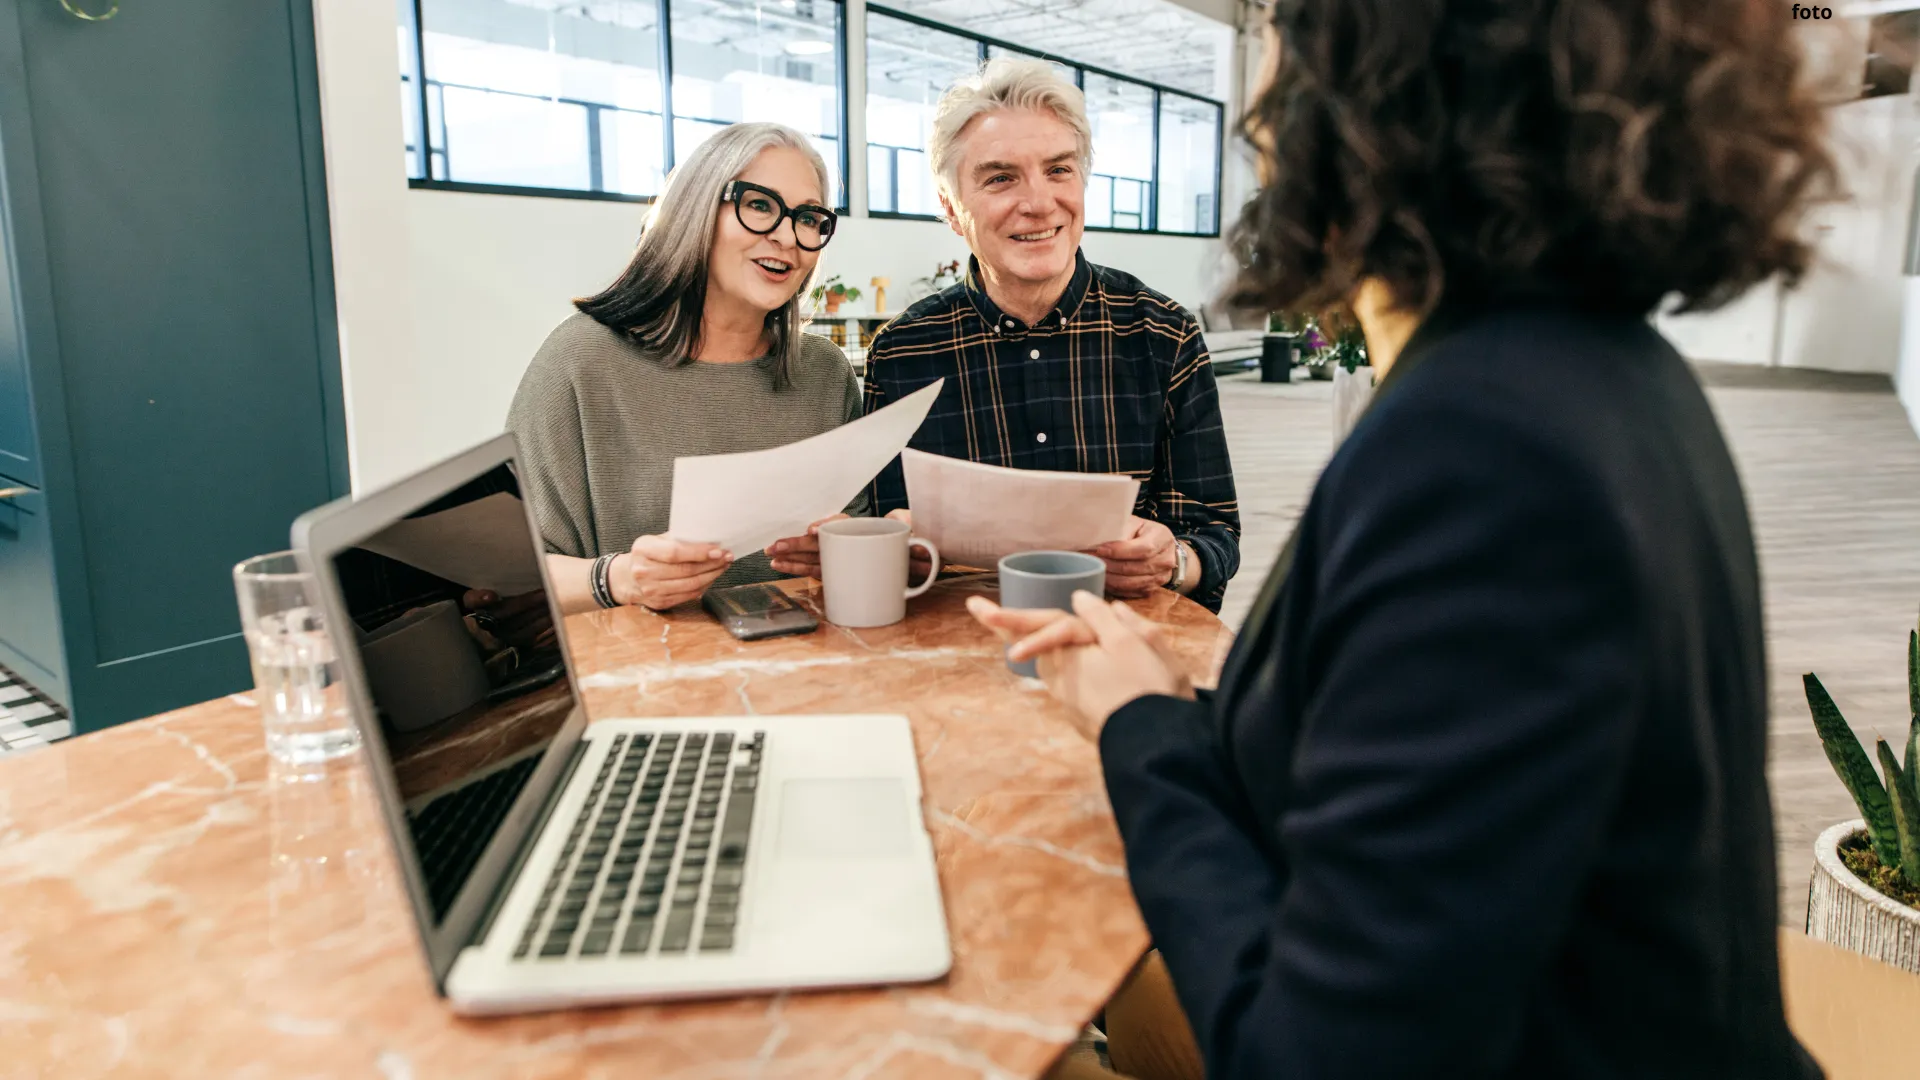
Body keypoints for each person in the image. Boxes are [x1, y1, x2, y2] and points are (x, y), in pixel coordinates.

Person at [975, 2, 1835, 1077]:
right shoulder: (1596, 368)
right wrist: (1158, 701)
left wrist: (1139, 732)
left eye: (1283, 46)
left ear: (1375, 91)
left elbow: (1316, 1053)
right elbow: (1404, 773)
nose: (1260, 111)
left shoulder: (1484, 450)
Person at [836, 59, 1240, 613]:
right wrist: (895, 544)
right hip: (964, 655)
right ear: (952, 211)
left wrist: (1173, 560)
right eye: (1001, 177)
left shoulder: (1163, 335)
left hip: (1127, 652)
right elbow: (890, 535)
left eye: (1058, 170)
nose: (1039, 202)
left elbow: (1214, 533)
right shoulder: (904, 352)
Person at [508, 122, 857, 615]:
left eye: (808, 217)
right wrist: (620, 578)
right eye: (759, 204)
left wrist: (842, 551)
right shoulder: (581, 359)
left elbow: (859, 529)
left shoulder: (823, 374)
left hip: (806, 671)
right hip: (642, 679)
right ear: (696, 210)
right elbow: (509, 581)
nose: (787, 237)